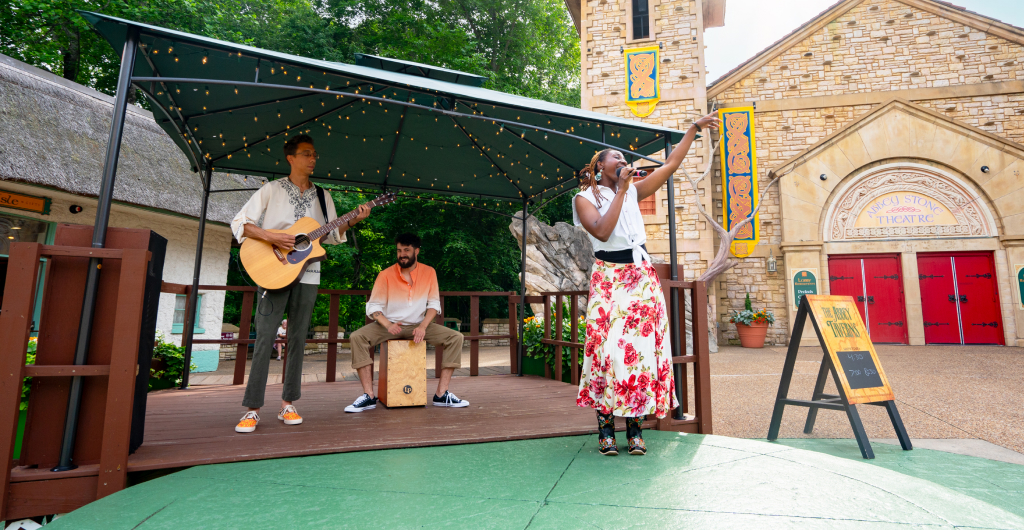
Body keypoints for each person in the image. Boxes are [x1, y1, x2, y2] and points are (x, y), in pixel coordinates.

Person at [573, 113, 720, 456]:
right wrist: (623, 191)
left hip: (641, 278)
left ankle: (635, 429)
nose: (624, 161)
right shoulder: (584, 197)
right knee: (607, 352)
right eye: (617, 157)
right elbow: (603, 232)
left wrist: (694, 129)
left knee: (639, 353)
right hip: (610, 278)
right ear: (599, 166)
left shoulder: (633, 190)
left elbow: (670, 163)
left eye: (625, 158)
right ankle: (605, 426)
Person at [230, 134, 372, 433]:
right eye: (306, 154)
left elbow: (332, 235)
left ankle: (288, 404)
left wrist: (354, 220)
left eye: (315, 154)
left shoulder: (324, 197)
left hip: (307, 274)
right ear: (290, 158)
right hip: (272, 270)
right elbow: (239, 223)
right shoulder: (271, 190)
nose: (313, 159)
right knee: (266, 337)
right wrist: (272, 236)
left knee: (297, 339)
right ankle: (252, 409)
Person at [344, 233, 469, 412]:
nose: (402, 254)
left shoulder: (429, 272)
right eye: (399, 250)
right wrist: (387, 324)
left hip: (418, 325)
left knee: (456, 337)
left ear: (416, 251)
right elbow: (373, 307)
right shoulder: (385, 274)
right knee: (357, 337)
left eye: (406, 250)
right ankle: (369, 396)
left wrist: (423, 326)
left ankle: (442, 394)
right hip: (388, 325)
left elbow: (433, 305)